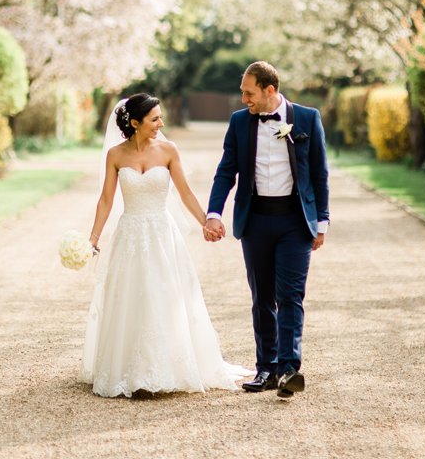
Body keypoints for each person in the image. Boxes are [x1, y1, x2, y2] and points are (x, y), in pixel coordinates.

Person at [79, 93, 249, 398]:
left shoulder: (169, 150)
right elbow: (106, 199)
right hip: (130, 235)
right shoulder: (116, 155)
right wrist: (93, 238)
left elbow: (185, 194)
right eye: (154, 119)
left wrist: (206, 221)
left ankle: (165, 366)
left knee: (164, 295)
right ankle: (130, 370)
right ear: (135, 123)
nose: (161, 123)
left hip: (161, 235)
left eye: (160, 117)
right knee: (131, 297)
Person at [204, 61, 330, 399]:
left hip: (295, 222)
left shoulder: (306, 118)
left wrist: (322, 221)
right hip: (256, 220)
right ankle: (266, 368)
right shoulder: (239, 122)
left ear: (269, 90)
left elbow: (319, 174)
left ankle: (289, 370)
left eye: (249, 92)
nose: (244, 98)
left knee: (290, 296)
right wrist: (214, 212)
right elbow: (225, 171)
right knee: (262, 298)